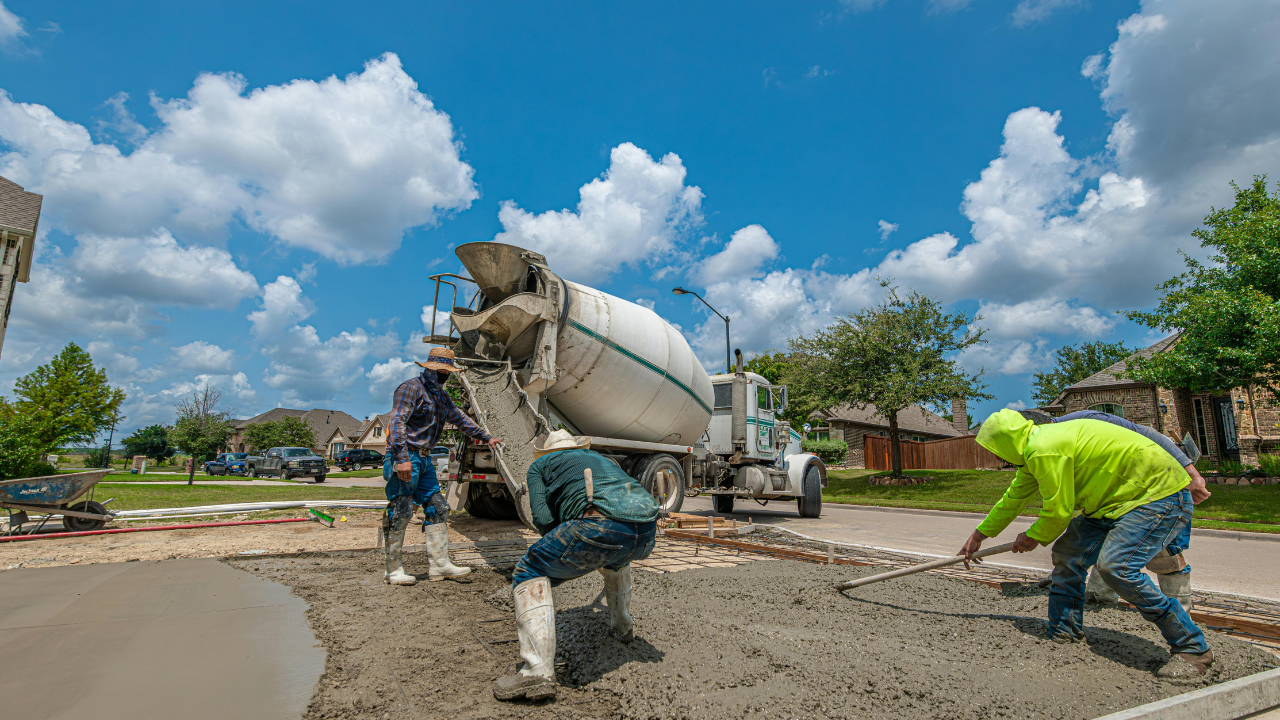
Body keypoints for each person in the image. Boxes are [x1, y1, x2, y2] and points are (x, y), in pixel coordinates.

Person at [959, 409, 1212, 677]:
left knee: (1118, 567)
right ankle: (1063, 631)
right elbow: (1012, 500)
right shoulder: (1035, 450)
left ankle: (1193, 647)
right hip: (1112, 502)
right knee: (1068, 555)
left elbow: (1058, 512)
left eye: (995, 450)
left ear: (1005, 442)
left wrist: (1032, 536)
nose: (997, 457)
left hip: (1157, 496)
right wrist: (979, 535)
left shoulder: (1045, 448)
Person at [493, 430, 659, 702]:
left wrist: (570, 543)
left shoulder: (540, 465)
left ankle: (536, 672)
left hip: (598, 526)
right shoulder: (600, 458)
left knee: (529, 570)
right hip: (646, 533)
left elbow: (543, 518)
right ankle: (623, 628)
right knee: (616, 562)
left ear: (547, 452)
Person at [1022, 409, 1210, 610]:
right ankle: (1099, 600)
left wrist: (1193, 474)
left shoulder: (1088, 421)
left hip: (1162, 475)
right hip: (1122, 486)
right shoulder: (1053, 447)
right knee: (1108, 542)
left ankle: (1180, 610)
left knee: (1166, 551)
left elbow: (1148, 433)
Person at [383, 347, 501, 586]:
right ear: (430, 369)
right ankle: (393, 570)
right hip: (407, 457)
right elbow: (397, 422)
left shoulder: (441, 396)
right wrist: (402, 457)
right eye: (442, 371)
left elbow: (459, 418)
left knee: (438, 507)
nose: (445, 376)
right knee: (402, 508)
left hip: (425, 460)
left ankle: (439, 565)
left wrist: (487, 437)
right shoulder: (411, 388)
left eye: (448, 372)